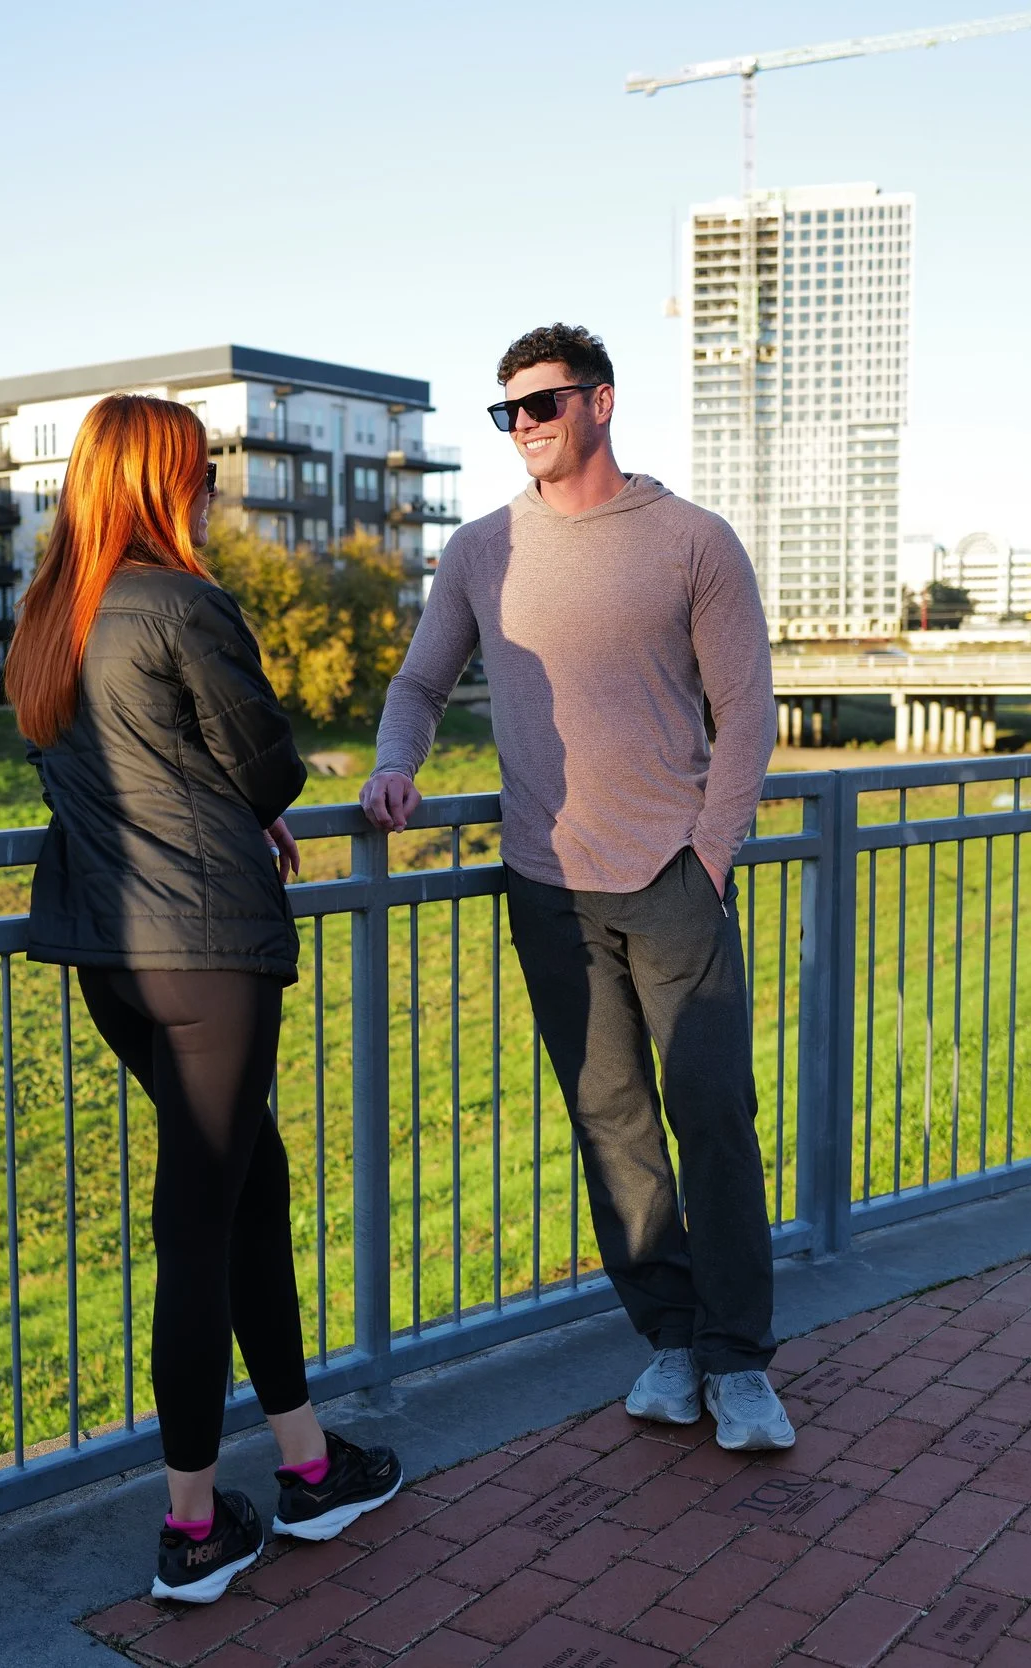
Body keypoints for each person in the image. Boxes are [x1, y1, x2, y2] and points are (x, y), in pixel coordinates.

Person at [361, 324, 794, 1451]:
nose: (522, 430)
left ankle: (739, 1363)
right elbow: (418, 681)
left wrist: (710, 850)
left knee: (713, 1112)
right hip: (544, 883)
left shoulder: (692, 540)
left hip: (669, 876)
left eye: (541, 406)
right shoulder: (478, 553)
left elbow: (745, 709)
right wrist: (394, 764)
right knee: (612, 1124)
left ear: (600, 402)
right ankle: (667, 1340)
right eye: (505, 413)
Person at [7, 394, 403, 1604]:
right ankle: (191, 1529)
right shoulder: (182, 605)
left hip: (109, 960)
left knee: (248, 1189)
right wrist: (262, 803)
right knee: (198, 1224)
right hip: (205, 959)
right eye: (202, 472)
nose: (212, 490)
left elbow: (127, 763)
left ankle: (305, 1464)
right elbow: (265, 760)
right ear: (159, 482)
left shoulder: (45, 622)